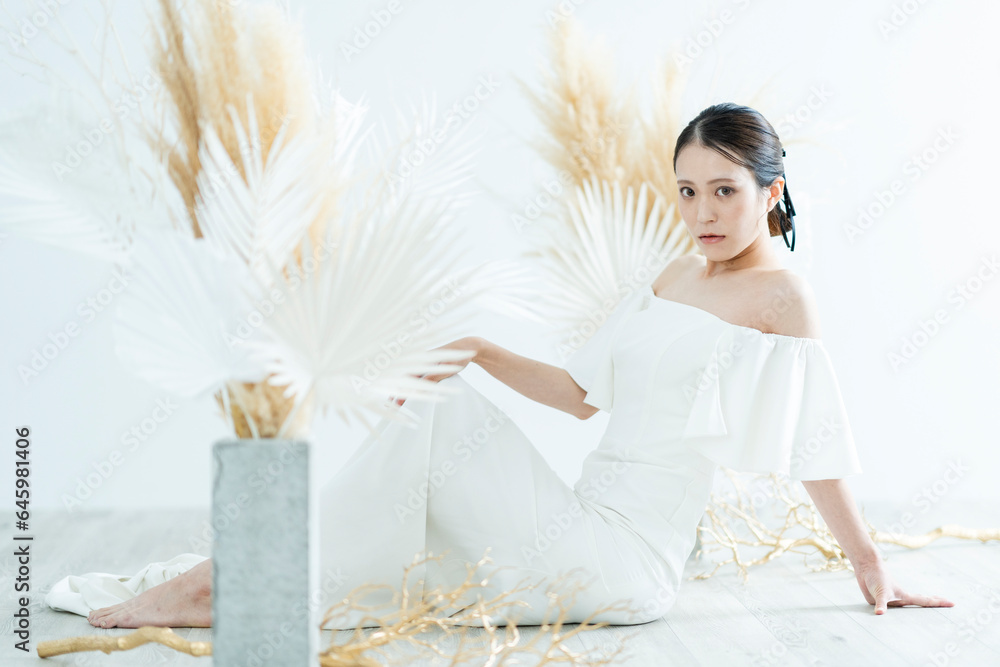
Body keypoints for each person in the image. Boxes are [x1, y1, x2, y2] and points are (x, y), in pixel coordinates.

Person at [74, 102, 954, 630]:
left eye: (726, 191)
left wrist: (868, 563)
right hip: (578, 514)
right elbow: (578, 397)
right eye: (688, 191)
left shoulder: (781, 297)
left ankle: (233, 579)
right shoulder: (674, 274)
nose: (704, 213)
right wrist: (474, 347)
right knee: (437, 413)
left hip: (628, 565)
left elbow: (814, 446)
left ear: (772, 192)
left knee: (440, 427)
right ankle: (245, 571)